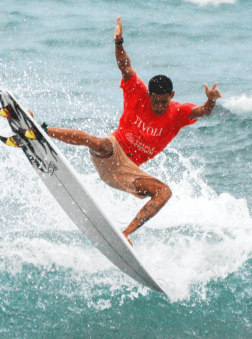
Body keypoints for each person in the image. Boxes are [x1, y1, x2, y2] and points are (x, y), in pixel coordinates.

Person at [45, 17, 222, 244]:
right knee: (100, 143)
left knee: (164, 192)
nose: (158, 106)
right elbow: (125, 65)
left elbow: (203, 112)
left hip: (127, 173)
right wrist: (118, 43)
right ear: (148, 95)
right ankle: (42, 129)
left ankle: (126, 234)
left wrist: (211, 101)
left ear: (172, 96)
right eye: (155, 101)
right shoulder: (137, 92)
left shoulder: (179, 112)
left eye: (163, 102)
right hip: (112, 151)